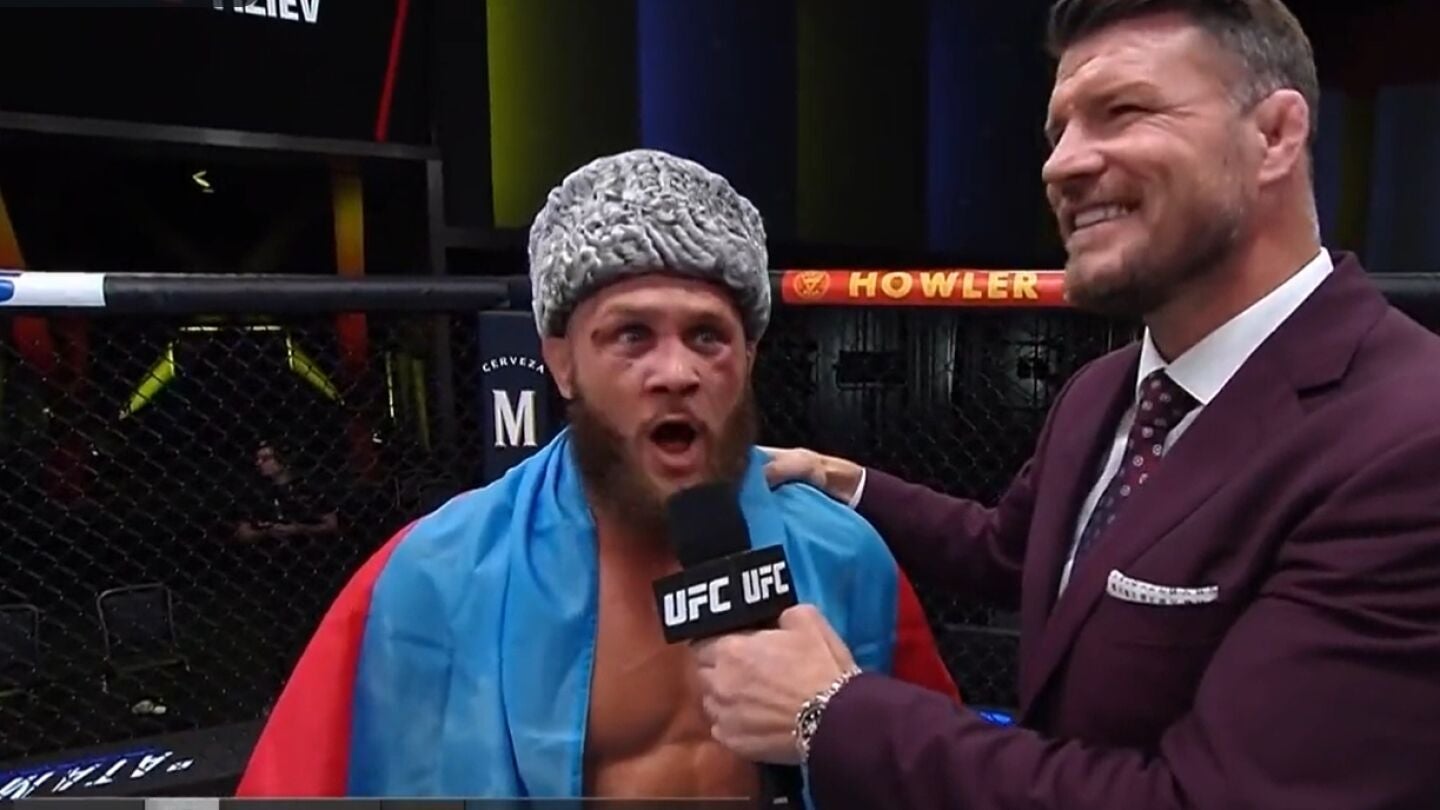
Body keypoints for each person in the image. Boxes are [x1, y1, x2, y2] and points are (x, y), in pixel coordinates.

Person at [692, 1, 1440, 807]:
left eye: (1124, 111)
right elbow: (1015, 552)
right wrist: (853, 485)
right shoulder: (1104, 392)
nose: (1063, 165)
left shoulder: (1407, 443)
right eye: (1059, 131)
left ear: (1275, 135)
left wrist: (833, 714)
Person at [234, 149, 958, 803]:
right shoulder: (432, 575)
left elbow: (938, 783)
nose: (676, 372)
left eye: (707, 335)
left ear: (749, 360)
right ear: (562, 362)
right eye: (631, 334)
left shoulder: (845, 556)